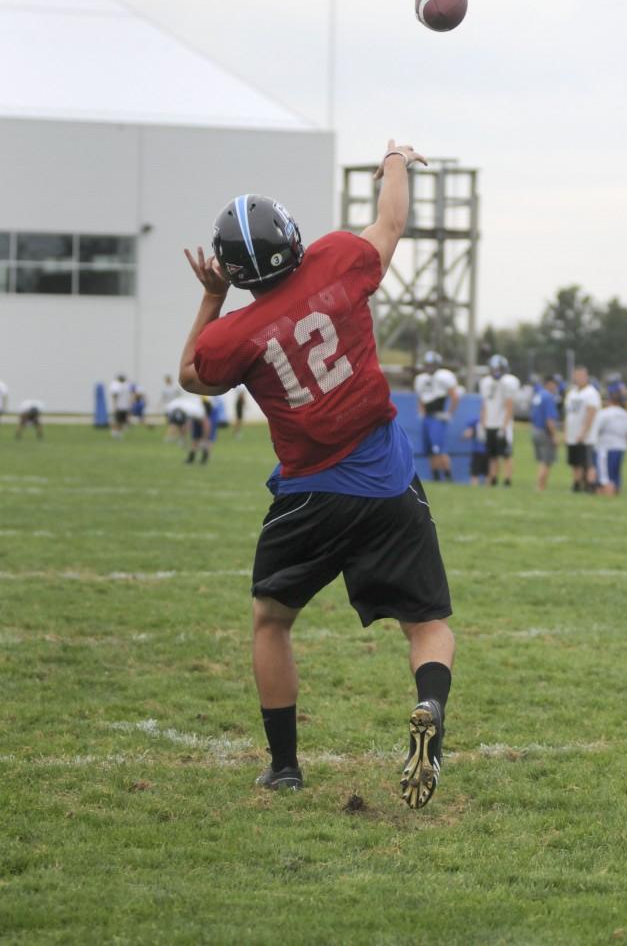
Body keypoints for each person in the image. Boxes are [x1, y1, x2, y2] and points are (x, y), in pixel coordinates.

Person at [179, 140, 454, 810]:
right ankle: (428, 707)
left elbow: (192, 377)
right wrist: (394, 161)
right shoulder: (337, 259)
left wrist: (212, 300)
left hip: (310, 494)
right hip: (386, 477)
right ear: (294, 238)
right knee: (427, 623)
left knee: (272, 621)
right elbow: (390, 224)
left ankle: (285, 768)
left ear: (234, 269)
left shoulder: (233, 335)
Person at [414, 351, 459, 481]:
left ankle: (448, 475)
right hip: (427, 418)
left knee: (439, 448)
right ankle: (435, 476)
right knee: (430, 450)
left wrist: (449, 413)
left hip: (437, 417)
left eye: (432, 364)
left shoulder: (443, 376)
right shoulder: (421, 378)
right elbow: (421, 398)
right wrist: (421, 411)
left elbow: (454, 396)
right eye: (427, 365)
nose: (429, 367)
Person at [479, 355, 520, 486]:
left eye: (499, 369)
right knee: (492, 455)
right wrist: (483, 423)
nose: (496, 372)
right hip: (490, 423)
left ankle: (507, 480)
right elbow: (484, 404)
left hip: (502, 423)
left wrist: (504, 426)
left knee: (506, 454)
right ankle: (493, 479)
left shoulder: (508, 382)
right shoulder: (485, 382)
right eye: (494, 369)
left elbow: (509, 406)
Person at [564, 366, 601, 492]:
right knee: (575, 462)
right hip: (572, 434)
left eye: (581, 376)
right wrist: (566, 432)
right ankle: (576, 484)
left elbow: (591, 414)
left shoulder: (591, 393)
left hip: (586, 437)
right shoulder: (572, 393)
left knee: (588, 462)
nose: (578, 378)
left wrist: (583, 432)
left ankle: (590, 486)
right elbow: (568, 414)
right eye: (576, 376)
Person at [595, 389, 627, 495]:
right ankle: (616, 491)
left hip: (606, 447)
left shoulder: (604, 413)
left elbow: (597, 429)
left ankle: (607, 494)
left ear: (609, 401)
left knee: (605, 475)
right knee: (616, 472)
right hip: (621, 447)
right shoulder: (625, 414)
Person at [530, 375, 559, 490]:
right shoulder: (548, 397)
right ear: (550, 384)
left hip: (535, 430)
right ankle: (540, 487)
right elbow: (550, 420)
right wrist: (554, 436)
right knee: (546, 461)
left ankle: (539, 486)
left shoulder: (538, 395)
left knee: (541, 461)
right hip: (544, 432)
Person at [462, 418, 488, 486]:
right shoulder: (476, 422)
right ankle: (474, 489)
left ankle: (488, 491)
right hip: (477, 451)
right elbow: (466, 434)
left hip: (488, 452)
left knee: (488, 474)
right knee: (474, 473)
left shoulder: (494, 422)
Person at [108, 374, 132, 438]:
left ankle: (119, 433)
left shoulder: (125, 386)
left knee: (122, 421)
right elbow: (115, 396)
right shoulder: (117, 386)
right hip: (119, 406)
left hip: (124, 406)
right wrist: (114, 406)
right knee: (117, 420)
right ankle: (115, 432)